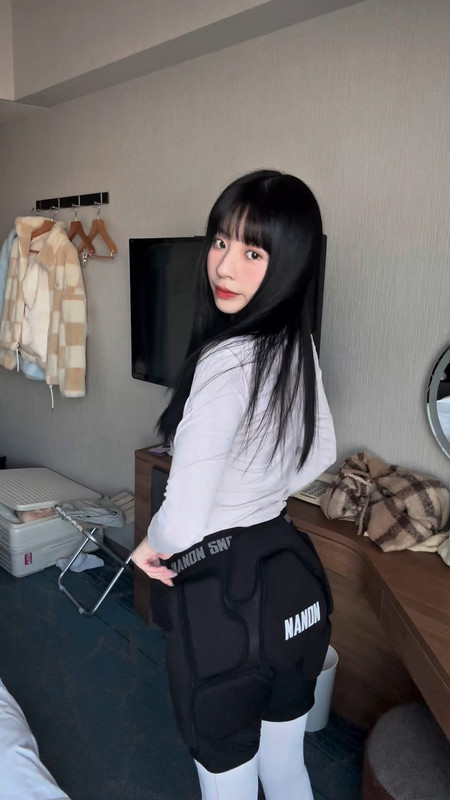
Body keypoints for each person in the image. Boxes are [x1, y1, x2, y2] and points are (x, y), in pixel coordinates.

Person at [131, 169, 336, 799]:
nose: (224, 266)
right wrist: (258, 491)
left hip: (225, 603)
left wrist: (150, 545)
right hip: (292, 580)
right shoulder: (297, 342)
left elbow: (185, 521)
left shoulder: (225, 360)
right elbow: (321, 453)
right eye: (221, 241)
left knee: (230, 786)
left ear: (289, 263)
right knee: (287, 768)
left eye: (253, 252)